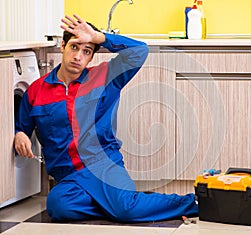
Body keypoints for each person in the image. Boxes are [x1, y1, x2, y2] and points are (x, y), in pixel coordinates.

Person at [14, 14, 198, 222]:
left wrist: (99, 37)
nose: (78, 57)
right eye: (74, 47)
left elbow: (139, 51)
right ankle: (123, 203)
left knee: (126, 210)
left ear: (92, 57)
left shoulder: (105, 76)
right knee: (58, 207)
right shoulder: (37, 90)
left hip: (104, 165)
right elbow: (21, 125)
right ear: (62, 46)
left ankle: (191, 203)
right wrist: (19, 133)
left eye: (87, 51)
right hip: (68, 174)